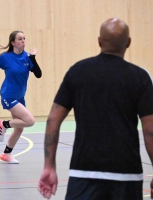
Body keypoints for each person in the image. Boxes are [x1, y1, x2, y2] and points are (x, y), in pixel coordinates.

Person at [38, 18, 153, 199]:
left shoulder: (77, 71)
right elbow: (150, 130)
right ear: (128, 43)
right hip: (127, 175)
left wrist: (48, 166)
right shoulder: (140, 77)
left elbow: (53, 119)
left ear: (99, 41)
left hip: (83, 173)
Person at [0, 31, 42, 164]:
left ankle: (6, 154)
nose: (23, 41)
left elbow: (38, 74)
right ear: (13, 42)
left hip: (20, 97)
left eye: (24, 38)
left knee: (19, 128)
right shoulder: (5, 57)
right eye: (20, 39)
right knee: (30, 121)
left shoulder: (27, 57)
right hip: (8, 95)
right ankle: (3, 124)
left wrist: (33, 59)